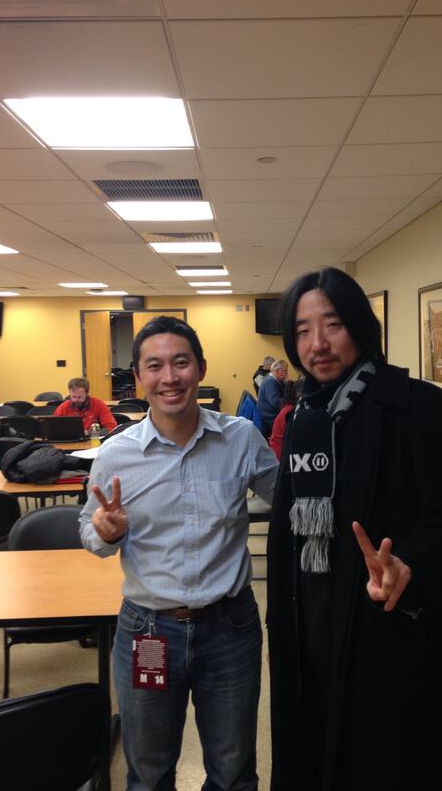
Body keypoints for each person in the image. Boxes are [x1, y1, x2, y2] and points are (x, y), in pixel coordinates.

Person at [266, 268, 442, 791]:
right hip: (309, 637)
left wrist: (410, 565)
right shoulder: (304, 417)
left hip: (387, 639)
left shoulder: (424, 409)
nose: (316, 344)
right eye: (301, 331)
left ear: (363, 328)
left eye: (333, 324)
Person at [79, 316, 278, 791]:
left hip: (230, 629)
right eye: (155, 366)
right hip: (147, 629)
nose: (169, 378)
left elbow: (291, 501)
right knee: (147, 775)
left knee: (233, 774)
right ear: (140, 376)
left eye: (181, 362)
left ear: (201, 368)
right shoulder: (115, 454)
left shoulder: (240, 439)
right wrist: (105, 533)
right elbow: (90, 529)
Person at [268, 378, 302, 461]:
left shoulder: (288, 408)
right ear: (299, 395)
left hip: (277, 452)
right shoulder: (291, 412)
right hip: (281, 456)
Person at [257, 359, 288, 437]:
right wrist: (290, 404)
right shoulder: (270, 382)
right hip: (270, 416)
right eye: (285, 371)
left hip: (270, 413)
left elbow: (284, 394)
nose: (286, 373)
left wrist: (286, 383)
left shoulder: (275, 379)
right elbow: (275, 401)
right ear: (278, 371)